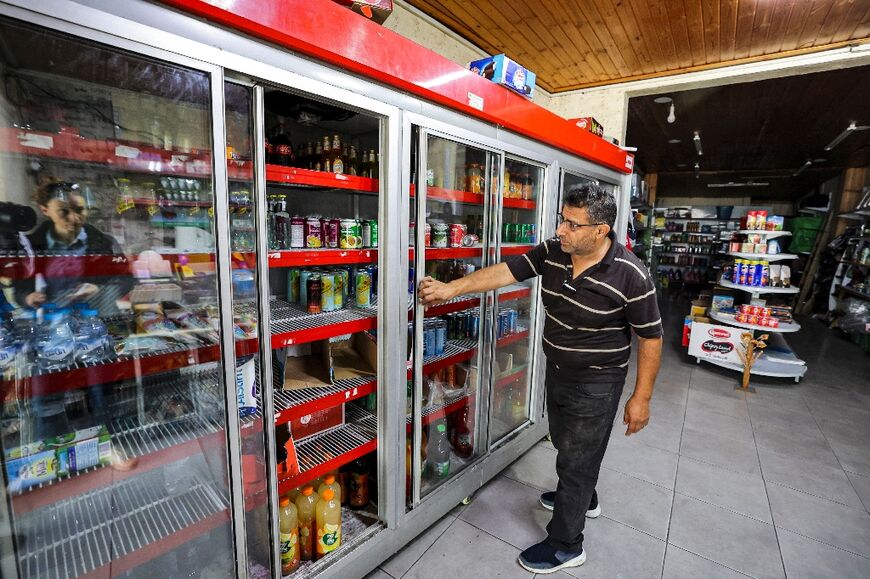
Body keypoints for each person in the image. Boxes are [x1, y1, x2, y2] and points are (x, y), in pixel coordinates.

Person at [419, 184, 663, 574]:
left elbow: (650, 337)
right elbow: (506, 270)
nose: (560, 230)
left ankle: (567, 544)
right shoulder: (554, 251)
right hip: (559, 369)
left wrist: (642, 398)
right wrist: (452, 288)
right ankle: (586, 498)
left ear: (600, 231)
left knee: (578, 459)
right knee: (568, 445)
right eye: (561, 219)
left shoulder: (632, 274)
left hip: (598, 380)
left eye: (572, 224)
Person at [14, 181, 132, 313]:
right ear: (45, 210)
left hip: (95, 319)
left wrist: (99, 288)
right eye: (63, 211)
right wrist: (28, 297)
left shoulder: (104, 243)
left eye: (79, 209)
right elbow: (19, 289)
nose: (73, 218)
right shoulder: (31, 246)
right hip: (52, 321)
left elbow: (126, 280)